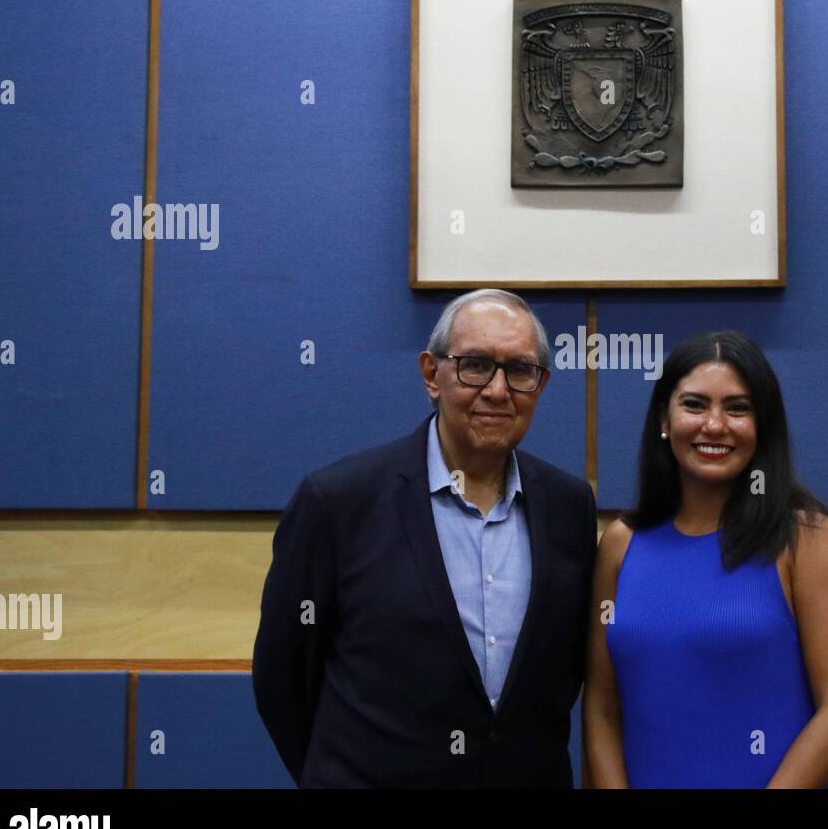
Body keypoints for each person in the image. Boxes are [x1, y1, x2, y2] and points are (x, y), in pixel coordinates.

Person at [252, 289, 598, 787]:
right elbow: (281, 678)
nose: (498, 390)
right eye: (475, 365)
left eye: (520, 370)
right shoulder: (338, 502)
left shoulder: (568, 507)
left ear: (539, 385)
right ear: (431, 375)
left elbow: (560, 681)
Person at [583, 330, 828, 787]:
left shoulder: (806, 538)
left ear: (762, 425)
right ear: (664, 418)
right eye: (694, 405)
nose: (714, 425)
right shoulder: (620, 544)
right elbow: (600, 709)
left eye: (738, 408)